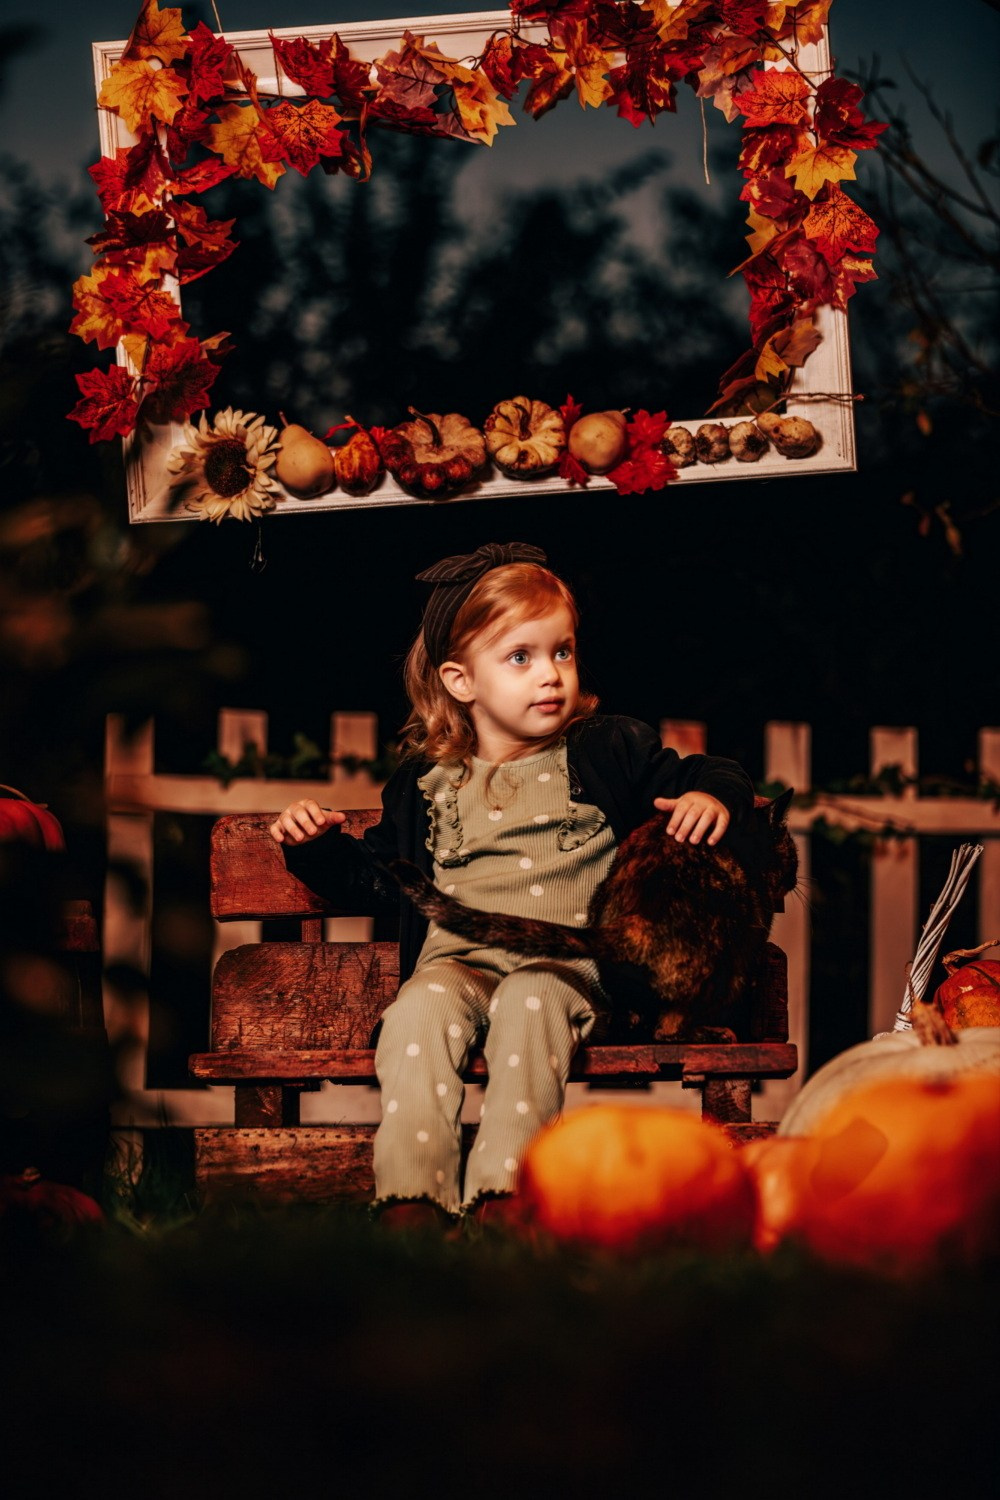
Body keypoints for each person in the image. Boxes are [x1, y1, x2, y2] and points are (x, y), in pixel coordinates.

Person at [269, 541, 754, 1229]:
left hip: (566, 969)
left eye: (562, 651)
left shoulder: (606, 750)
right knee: (417, 1009)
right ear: (461, 681)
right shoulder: (424, 784)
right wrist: (313, 847)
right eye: (520, 657)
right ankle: (412, 1200)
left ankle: (505, 1199)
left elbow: (709, 770)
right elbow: (376, 882)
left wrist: (713, 795)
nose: (551, 674)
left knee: (531, 999)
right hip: (458, 964)